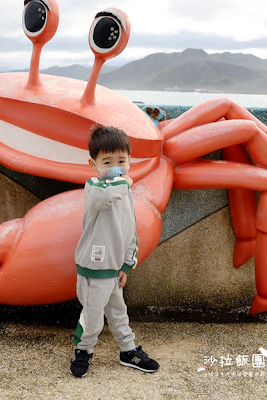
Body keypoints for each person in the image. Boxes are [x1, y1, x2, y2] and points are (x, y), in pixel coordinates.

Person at [69, 125, 160, 378]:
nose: (115, 167)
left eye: (122, 161)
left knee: (119, 312)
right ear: (93, 163)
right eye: (107, 162)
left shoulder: (125, 192)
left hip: (113, 269)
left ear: (130, 160)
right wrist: (125, 180)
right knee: (93, 316)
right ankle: (83, 350)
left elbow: (129, 230)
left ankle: (128, 351)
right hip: (93, 267)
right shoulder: (94, 186)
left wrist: (126, 265)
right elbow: (104, 198)